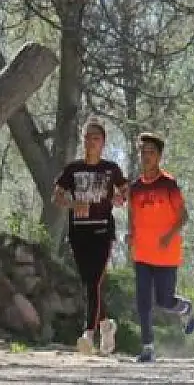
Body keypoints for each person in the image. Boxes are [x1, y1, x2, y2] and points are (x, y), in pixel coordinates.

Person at [52, 121, 127, 355]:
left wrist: (120, 197)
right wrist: (74, 204)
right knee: (89, 283)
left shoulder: (111, 169)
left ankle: (88, 333)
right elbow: (57, 196)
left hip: (102, 231)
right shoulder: (72, 169)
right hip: (78, 232)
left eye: (95, 138)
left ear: (103, 142)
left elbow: (126, 189)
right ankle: (106, 324)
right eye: (87, 137)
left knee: (94, 281)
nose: (90, 142)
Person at [125, 132, 194, 362]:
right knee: (143, 301)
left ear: (159, 156)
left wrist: (168, 236)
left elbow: (184, 216)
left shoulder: (168, 184)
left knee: (164, 301)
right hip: (142, 253)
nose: (146, 156)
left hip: (166, 253)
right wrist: (130, 234)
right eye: (143, 152)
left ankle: (185, 309)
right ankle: (147, 347)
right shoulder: (135, 187)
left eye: (151, 152)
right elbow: (132, 215)